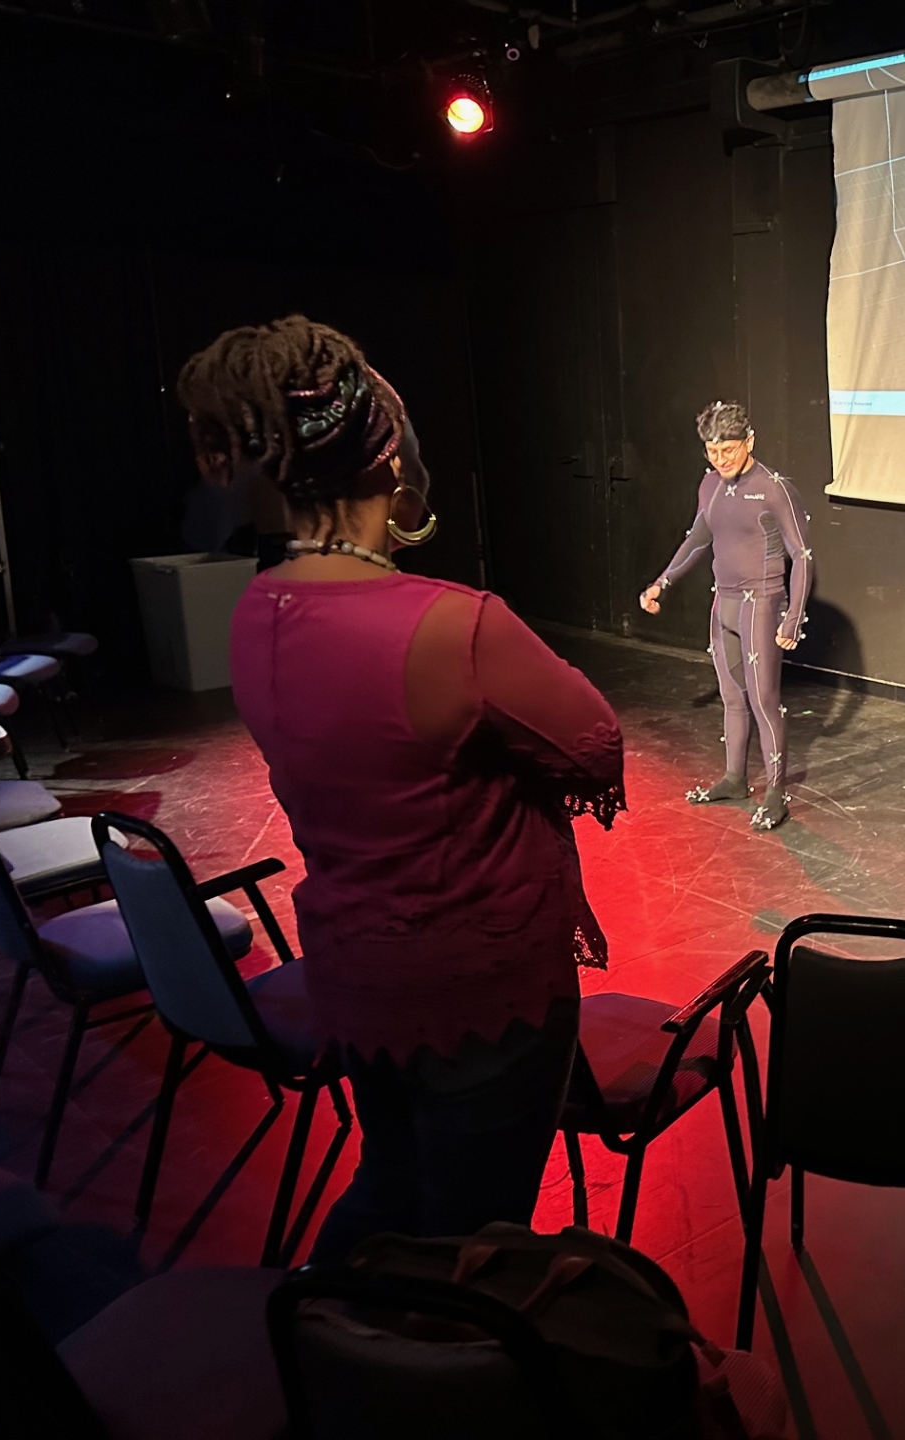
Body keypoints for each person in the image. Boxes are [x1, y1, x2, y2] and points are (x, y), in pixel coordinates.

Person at [180, 315, 625, 1262]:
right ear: (388, 462)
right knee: (480, 1237)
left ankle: (331, 1353)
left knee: (393, 1186)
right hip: (485, 991)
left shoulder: (259, 610)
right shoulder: (458, 626)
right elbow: (593, 744)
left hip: (360, 976)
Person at [639, 400, 813, 832]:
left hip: (761, 602)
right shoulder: (710, 485)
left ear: (749, 441)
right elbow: (698, 537)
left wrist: (793, 617)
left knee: (763, 701)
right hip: (724, 603)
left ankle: (775, 793)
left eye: (729, 451)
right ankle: (735, 778)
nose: (721, 460)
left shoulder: (774, 488)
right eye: (713, 453)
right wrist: (663, 581)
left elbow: (802, 555)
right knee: (732, 698)